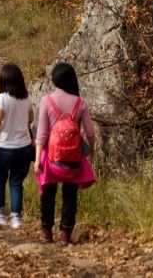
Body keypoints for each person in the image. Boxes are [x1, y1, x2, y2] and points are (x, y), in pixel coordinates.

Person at [34, 61, 97, 244]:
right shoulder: (80, 102)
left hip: (50, 157)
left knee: (48, 193)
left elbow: (41, 134)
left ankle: (46, 232)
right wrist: (90, 152)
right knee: (70, 194)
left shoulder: (47, 100)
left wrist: (38, 159)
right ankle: (65, 234)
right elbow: (91, 133)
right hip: (73, 157)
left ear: (55, 79)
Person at [0, 63, 35, 229]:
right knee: (16, 182)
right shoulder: (26, 98)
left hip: (5, 146)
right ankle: (16, 218)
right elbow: (30, 120)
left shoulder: (2, 98)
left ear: (4, 80)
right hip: (24, 146)